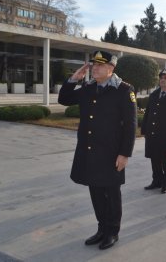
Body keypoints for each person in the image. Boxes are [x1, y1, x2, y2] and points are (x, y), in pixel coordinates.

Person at [58, 50, 137, 250]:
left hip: (111, 153)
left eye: (100, 65)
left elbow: (130, 125)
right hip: (90, 151)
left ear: (111, 68)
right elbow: (64, 99)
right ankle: (102, 229)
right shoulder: (88, 88)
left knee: (111, 192)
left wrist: (125, 154)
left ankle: (112, 231)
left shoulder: (124, 90)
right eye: (94, 64)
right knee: (95, 191)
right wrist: (74, 79)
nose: (95, 68)